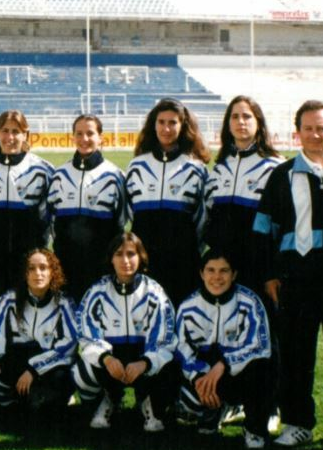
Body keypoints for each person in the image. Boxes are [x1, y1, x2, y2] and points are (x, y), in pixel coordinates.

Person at [253, 99, 323, 450]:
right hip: (296, 279)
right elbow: (263, 229)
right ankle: (298, 422)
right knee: (296, 353)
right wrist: (269, 274)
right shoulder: (282, 174)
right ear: (296, 133)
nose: (315, 135)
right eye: (308, 128)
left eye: (322, 128)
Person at [73, 232, 178, 432]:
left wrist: (145, 362)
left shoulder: (154, 292)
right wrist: (105, 358)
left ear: (141, 258)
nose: (125, 260)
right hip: (112, 361)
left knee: (170, 368)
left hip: (141, 360)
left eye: (131, 254)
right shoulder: (97, 292)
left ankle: (149, 403)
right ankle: (108, 399)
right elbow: (86, 335)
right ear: (111, 258)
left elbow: (166, 338)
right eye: (119, 254)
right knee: (80, 372)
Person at [175, 250, 273, 449]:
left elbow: (260, 347)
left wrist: (224, 364)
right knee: (188, 408)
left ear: (234, 274)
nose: (217, 277)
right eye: (210, 270)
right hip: (203, 375)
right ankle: (212, 412)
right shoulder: (187, 307)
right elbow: (181, 350)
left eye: (224, 271)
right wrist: (198, 377)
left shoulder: (249, 302)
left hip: (237, 374)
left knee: (263, 369)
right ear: (201, 274)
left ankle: (254, 429)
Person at [125, 98, 209, 307]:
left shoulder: (196, 168)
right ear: (153, 125)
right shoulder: (137, 166)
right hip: (145, 259)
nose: (166, 128)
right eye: (161, 122)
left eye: (173, 122)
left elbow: (203, 217)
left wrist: (188, 247)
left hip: (183, 259)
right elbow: (127, 212)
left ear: (183, 127)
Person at [0, 249, 78, 420]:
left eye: (43, 268)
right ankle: (14, 403)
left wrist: (34, 369)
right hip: (19, 357)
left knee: (67, 377)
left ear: (52, 272)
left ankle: (44, 401)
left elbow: (70, 344)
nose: (37, 273)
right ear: (25, 273)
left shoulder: (63, 303)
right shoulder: (10, 299)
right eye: (32, 268)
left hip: (50, 363)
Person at [0, 110, 54, 297]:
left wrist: (35, 240)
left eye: (16, 131)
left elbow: (49, 216)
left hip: (29, 258)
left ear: (25, 134)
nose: (10, 137)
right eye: (5, 130)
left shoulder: (42, 170)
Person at [204, 96, 282, 294]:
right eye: (235, 117)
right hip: (223, 271)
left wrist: (272, 271)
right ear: (228, 124)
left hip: (260, 268)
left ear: (259, 123)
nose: (241, 122)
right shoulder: (219, 169)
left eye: (247, 116)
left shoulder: (275, 167)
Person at [48, 114, 126, 302]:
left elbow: (122, 221)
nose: (84, 139)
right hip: (65, 265)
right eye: (79, 133)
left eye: (90, 133)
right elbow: (50, 221)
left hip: (102, 267)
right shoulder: (60, 175)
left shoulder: (115, 175)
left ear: (101, 137)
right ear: (72, 137)